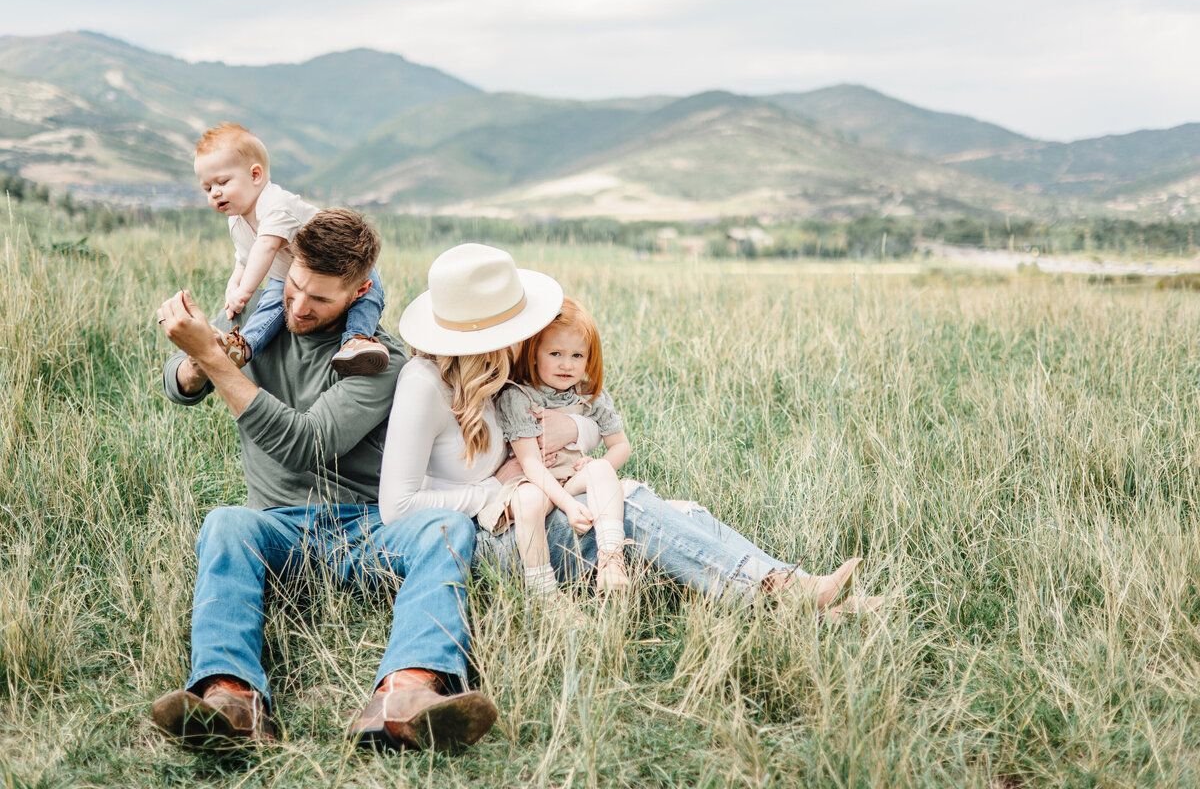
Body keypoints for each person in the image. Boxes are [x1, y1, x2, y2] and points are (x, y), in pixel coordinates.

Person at [150, 209, 498, 752]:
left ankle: (407, 696)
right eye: (293, 287)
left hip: (365, 530)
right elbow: (179, 385)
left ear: (360, 292)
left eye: (320, 300)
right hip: (276, 530)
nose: (298, 306)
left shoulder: (379, 362)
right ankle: (231, 699)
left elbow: (308, 444)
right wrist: (197, 362)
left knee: (446, 528)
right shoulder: (260, 327)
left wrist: (216, 365)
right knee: (225, 523)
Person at [380, 243, 881, 616]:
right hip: (495, 534)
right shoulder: (424, 384)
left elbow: (574, 420)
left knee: (679, 514)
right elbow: (396, 506)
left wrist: (575, 429)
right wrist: (495, 492)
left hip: (541, 496)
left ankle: (795, 598)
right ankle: (785, 593)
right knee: (635, 507)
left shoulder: (506, 371)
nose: (530, 338)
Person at [193, 122, 389, 375]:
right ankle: (243, 347)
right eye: (208, 188)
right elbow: (244, 260)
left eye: (222, 182)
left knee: (367, 296)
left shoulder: (276, 205)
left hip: (344, 263)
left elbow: (265, 246)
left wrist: (244, 292)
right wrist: (233, 287)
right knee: (271, 303)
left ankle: (356, 339)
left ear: (255, 175)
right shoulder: (237, 221)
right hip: (290, 274)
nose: (215, 193)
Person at [479, 298, 632, 599]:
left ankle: (611, 559)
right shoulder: (518, 395)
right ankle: (543, 590)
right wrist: (569, 504)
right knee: (529, 500)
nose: (567, 364)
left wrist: (591, 465)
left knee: (600, 468)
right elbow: (531, 464)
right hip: (533, 481)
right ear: (534, 354)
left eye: (577, 355)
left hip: (568, 478)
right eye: (556, 353)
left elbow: (621, 445)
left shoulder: (591, 395)